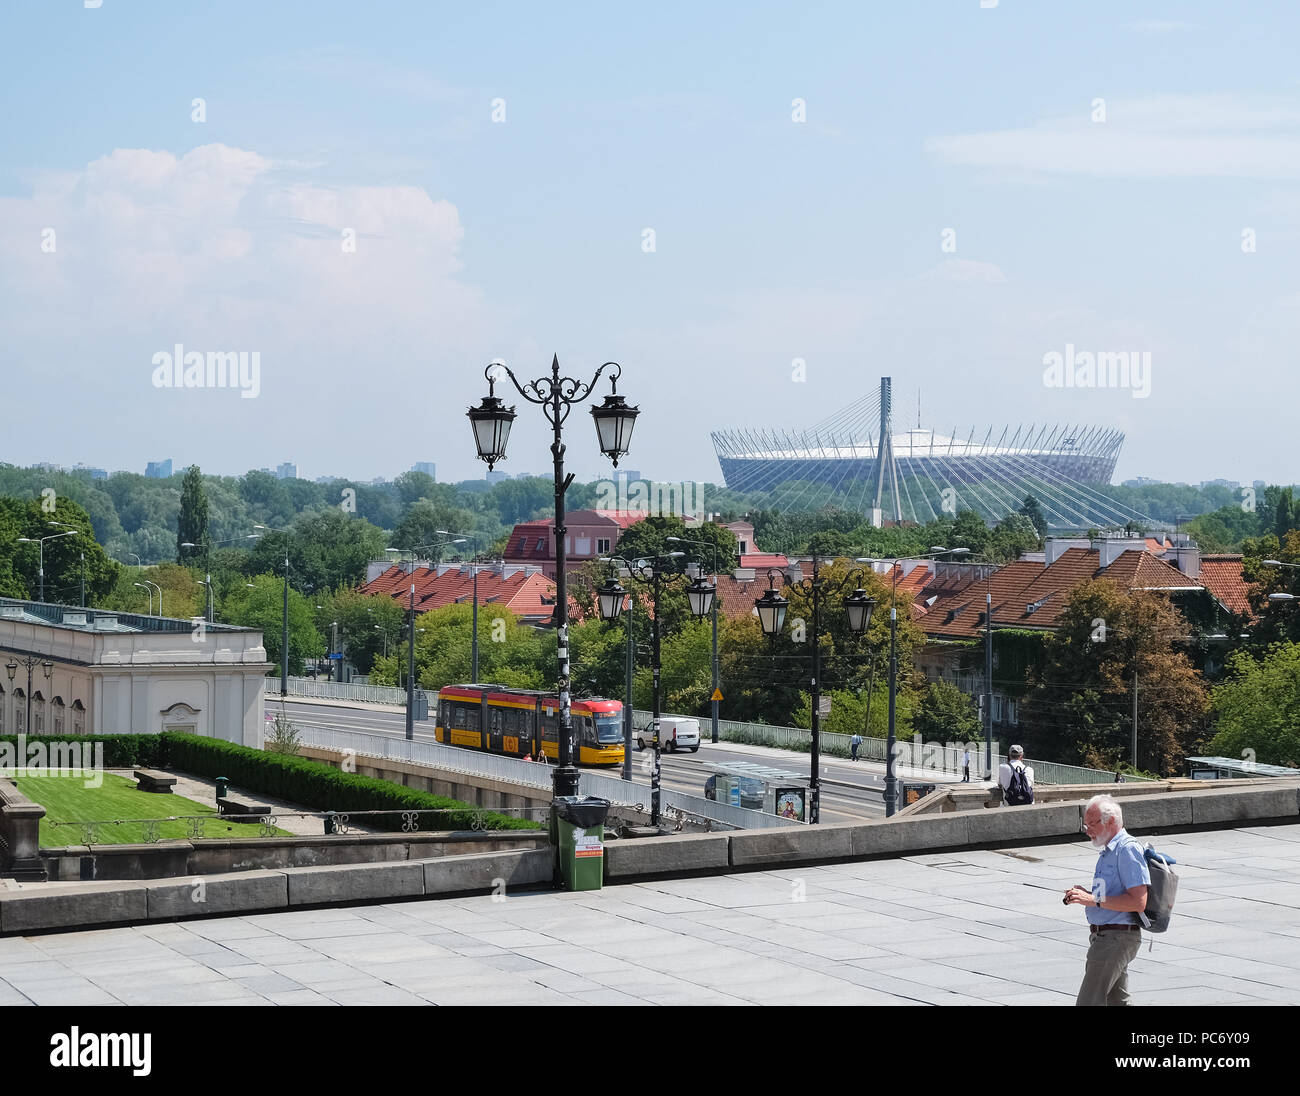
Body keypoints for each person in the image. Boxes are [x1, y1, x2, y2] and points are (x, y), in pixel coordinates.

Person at [1064, 795, 1150, 1006]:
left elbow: (1139, 902)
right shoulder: (1108, 851)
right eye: (1086, 824)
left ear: (1110, 821)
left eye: (1092, 824)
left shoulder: (1127, 849)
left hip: (1116, 938)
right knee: (1116, 1002)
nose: (1087, 830)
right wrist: (1086, 896)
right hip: (1107, 937)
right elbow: (1106, 896)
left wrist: (1093, 899)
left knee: (1089, 1002)